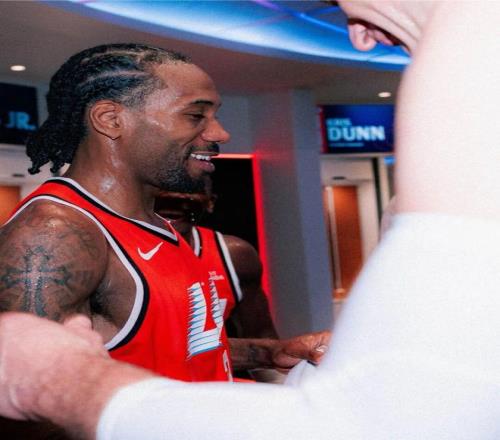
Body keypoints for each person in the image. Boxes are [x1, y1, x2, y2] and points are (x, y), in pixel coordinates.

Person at [1, 1, 499, 439]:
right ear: (111, 120)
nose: (220, 132)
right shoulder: (53, 235)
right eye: (196, 115)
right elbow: (23, 402)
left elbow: (169, 351)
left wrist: (268, 352)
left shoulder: (160, 228)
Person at [155, 179, 286, 381]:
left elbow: (261, 338)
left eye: (188, 191)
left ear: (210, 202)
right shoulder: (115, 253)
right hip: (141, 387)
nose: (175, 201)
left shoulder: (234, 256)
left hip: (211, 389)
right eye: (165, 191)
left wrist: (282, 390)